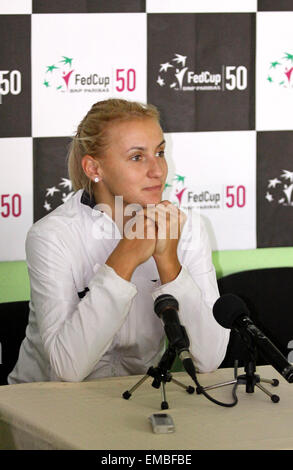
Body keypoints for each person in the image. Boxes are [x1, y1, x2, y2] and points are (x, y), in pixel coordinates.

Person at [8, 99, 229, 384]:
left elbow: (210, 359)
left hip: (131, 400)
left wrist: (168, 262)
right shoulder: (52, 236)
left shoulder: (187, 229)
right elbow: (67, 369)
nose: (158, 170)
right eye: (137, 157)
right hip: (45, 404)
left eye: (159, 152)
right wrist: (124, 258)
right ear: (93, 168)